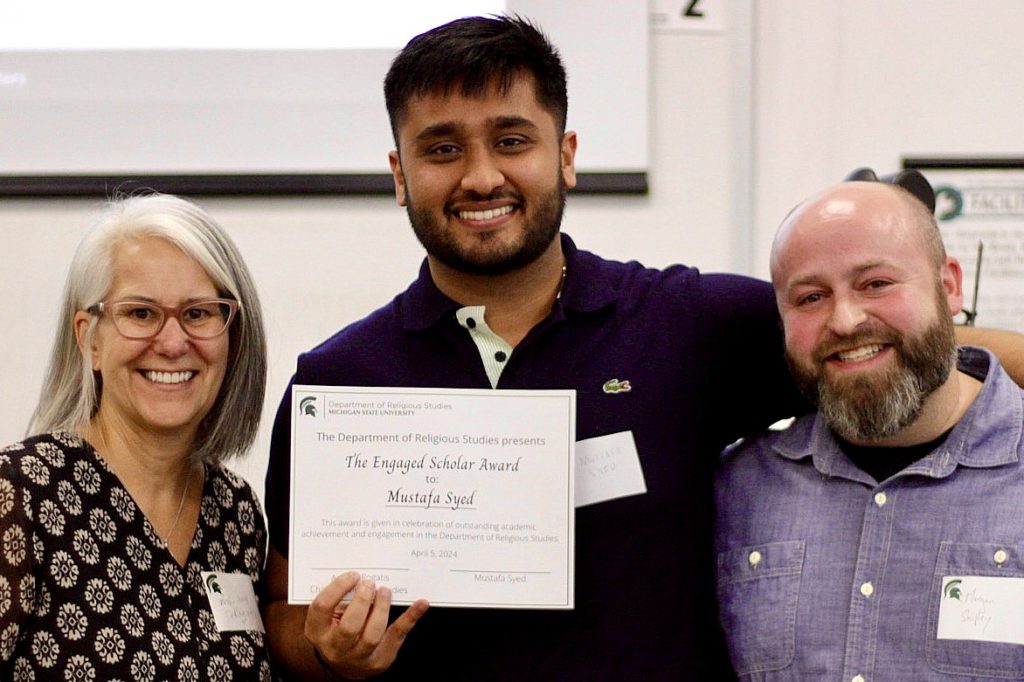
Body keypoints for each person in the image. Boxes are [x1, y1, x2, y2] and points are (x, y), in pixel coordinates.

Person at [261, 15, 1024, 681]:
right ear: (400, 174)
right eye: (442, 149)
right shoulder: (340, 383)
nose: (481, 175)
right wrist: (330, 653)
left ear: (565, 155)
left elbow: (873, 339)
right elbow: (286, 621)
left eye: (512, 140)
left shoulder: (688, 323)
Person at [714, 173, 1024, 680]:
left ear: (949, 286)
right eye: (811, 297)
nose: (846, 320)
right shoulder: (738, 488)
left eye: (876, 283)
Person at [0, 194, 272, 679]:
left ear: (233, 337)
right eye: (141, 313)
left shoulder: (236, 513)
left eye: (199, 313)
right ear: (90, 339)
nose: (172, 343)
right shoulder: (18, 496)